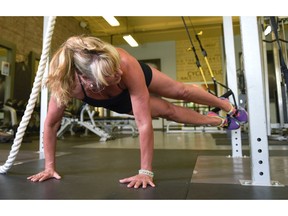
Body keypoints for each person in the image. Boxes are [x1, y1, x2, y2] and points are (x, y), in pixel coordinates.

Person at [27, 35, 248, 188]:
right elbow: (51, 123)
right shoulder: (67, 84)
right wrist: (49, 167)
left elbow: (143, 124)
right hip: (111, 99)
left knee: (179, 91)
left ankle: (225, 105)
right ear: (86, 80)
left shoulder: (125, 65)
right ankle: (215, 121)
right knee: (167, 111)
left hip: (138, 78)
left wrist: (146, 171)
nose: (118, 73)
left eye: (116, 70)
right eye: (111, 76)